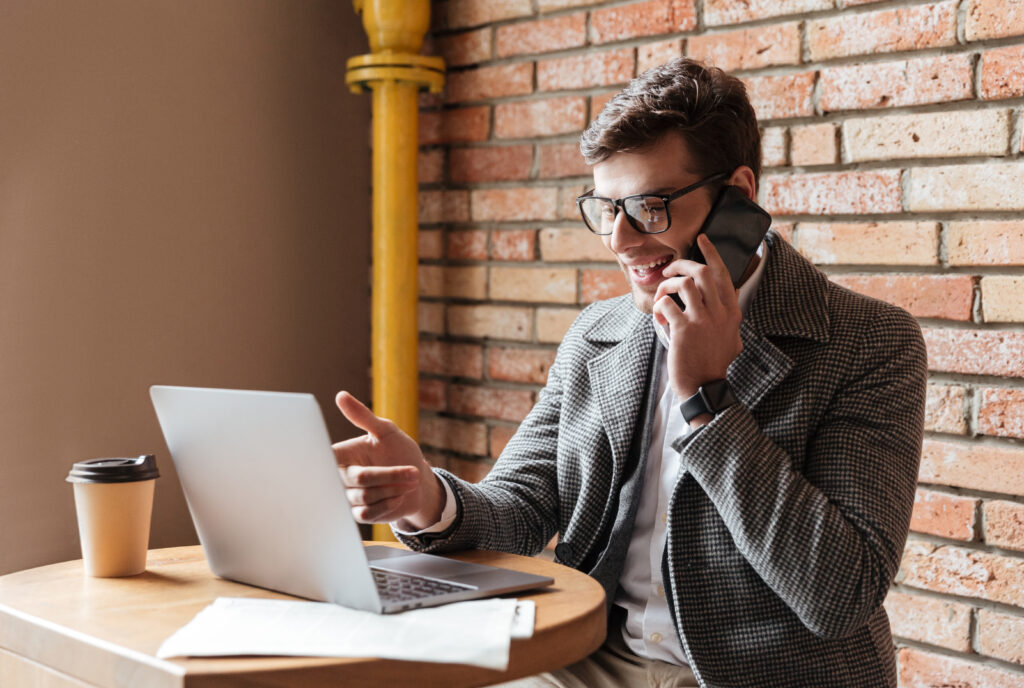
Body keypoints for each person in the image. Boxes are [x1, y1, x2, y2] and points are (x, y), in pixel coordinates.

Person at [332, 58, 927, 688]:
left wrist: (708, 402)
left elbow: (838, 594)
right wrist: (428, 499)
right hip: (586, 656)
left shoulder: (868, 342)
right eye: (605, 207)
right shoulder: (600, 333)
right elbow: (523, 506)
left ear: (739, 197)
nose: (620, 238)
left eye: (649, 205)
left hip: (758, 673)